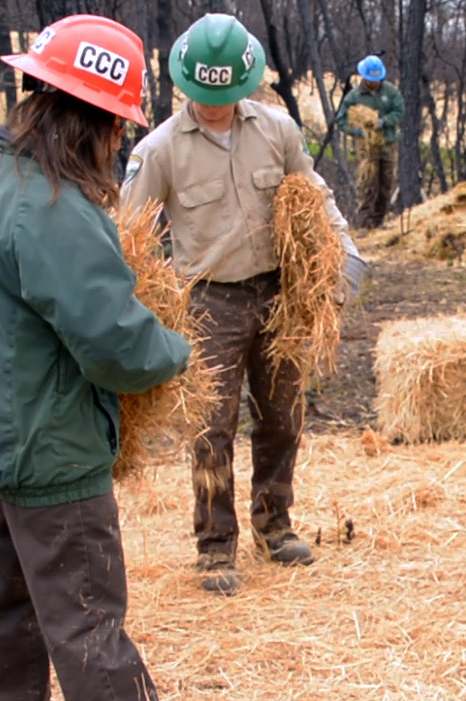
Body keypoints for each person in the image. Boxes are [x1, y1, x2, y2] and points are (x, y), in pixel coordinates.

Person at [0, 14, 240, 701]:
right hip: (47, 452)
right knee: (87, 616)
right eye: (117, 124)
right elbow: (115, 345)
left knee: (2, 604)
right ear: (97, 119)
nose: (118, 142)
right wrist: (176, 348)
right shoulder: (54, 210)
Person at [123, 14, 366, 595]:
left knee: (284, 416)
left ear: (245, 83)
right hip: (208, 302)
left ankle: (274, 526)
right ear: (186, 83)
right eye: (204, 96)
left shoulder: (277, 129)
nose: (214, 106)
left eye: (225, 95)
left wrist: (346, 252)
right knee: (211, 428)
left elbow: (313, 196)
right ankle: (214, 548)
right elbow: (126, 235)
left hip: (278, 292)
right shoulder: (159, 150)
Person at [335, 54, 405, 229]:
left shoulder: (390, 92)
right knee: (368, 184)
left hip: (387, 144)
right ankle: (365, 224)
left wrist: (383, 122)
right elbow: (341, 120)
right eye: (370, 79)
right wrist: (356, 131)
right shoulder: (354, 97)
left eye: (377, 79)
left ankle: (379, 221)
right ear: (364, 77)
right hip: (366, 149)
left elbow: (399, 111)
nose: (374, 83)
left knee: (386, 184)